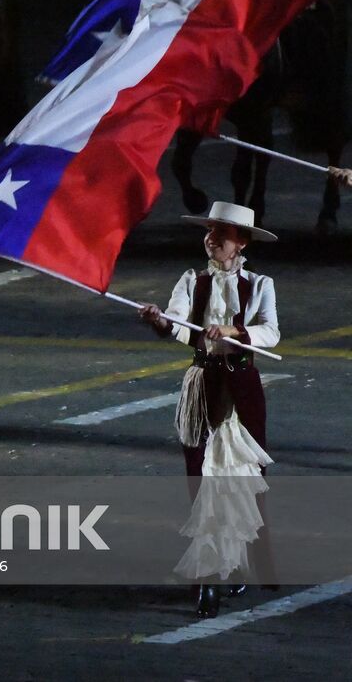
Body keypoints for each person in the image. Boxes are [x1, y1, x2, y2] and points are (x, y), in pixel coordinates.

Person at [138, 201, 279, 616]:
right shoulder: (191, 281)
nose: (212, 239)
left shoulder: (260, 284)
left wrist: (235, 330)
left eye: (223, 233)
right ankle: (208, 579)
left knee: (239, 480)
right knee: (205, 480)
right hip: (203, 387)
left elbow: (270, 330)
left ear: (241, 243)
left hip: (241, 391)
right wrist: (159, 321)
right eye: (210, 231)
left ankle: (235, 565)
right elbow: (179, 325)